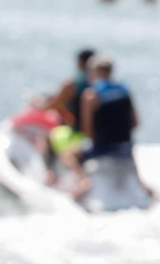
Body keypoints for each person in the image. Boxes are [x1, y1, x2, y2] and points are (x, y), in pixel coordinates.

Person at [66, 54, 152, 200]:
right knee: (128, 148)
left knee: (69, 155)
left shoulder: (90, 94)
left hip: (102, 148)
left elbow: (87, 132)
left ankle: (83, 181)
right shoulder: (125, 90)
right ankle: (142, 184)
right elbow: (136, 124)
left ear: (96, 72)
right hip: (125, 149)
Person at [47, 48, 95, 130]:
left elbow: (51, 105)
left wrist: (37, 102)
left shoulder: (71, 84)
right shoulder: (99, 84)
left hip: (78, 130)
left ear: (81, 62)